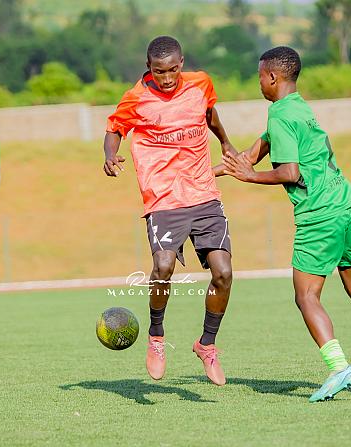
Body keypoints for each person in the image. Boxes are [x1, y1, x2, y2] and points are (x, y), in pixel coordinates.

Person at [218, 46, 351, 401]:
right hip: (349, 206)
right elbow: (251, 154)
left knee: (306, 296)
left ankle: (339, 368)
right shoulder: (299, 108)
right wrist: (206, 174)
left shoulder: (279, 116)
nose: (259, 83)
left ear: (272, 77)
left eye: (260, 77)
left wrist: (251, 177)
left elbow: (289, 172)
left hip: (320, 215)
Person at [104, 36, 235, 385]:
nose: (166, 78)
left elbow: (209, 113)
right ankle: (156, 336)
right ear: (149, 67)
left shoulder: (200, 84)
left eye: (173, 70)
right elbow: (114, 128)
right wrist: (109, 154)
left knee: (223, 273)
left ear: (182, 63)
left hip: (203, 193)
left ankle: (207, 344)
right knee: (163, 266)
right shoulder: (136, 98)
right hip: (163, 197)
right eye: (159, 71)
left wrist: (225, 142)